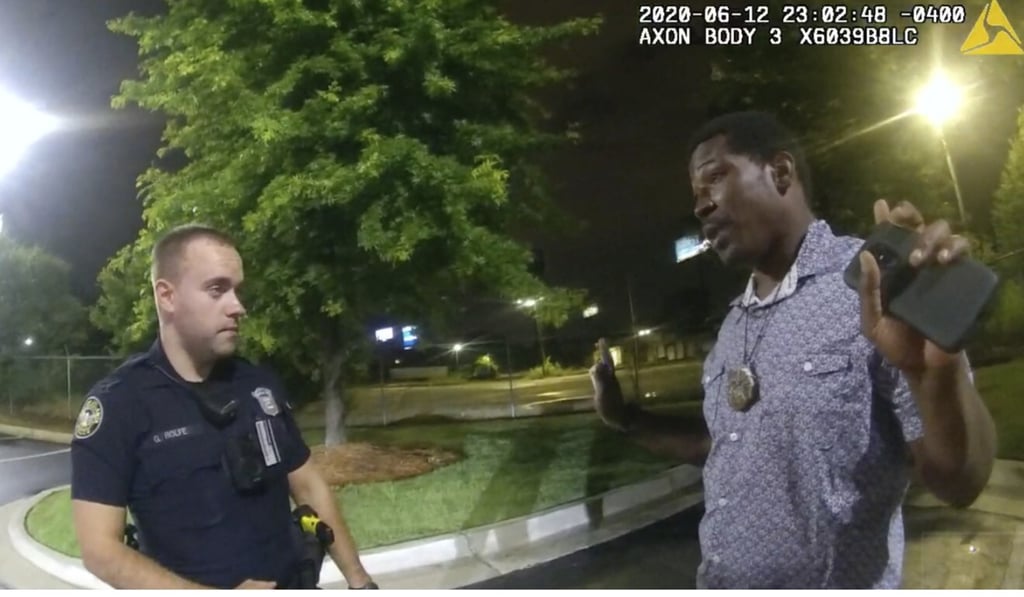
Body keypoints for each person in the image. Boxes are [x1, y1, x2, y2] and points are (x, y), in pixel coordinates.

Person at [589, 110, 997, 589]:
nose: (700, 207)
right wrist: (625, 418)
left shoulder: (874, 289)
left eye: (714, 178)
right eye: (695, 193)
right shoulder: (732, 328)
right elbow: (723, 448)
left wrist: (936, 379)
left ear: (780, 172)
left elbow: (961, 481)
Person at [70, 224, 378, 590]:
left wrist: (360, 582)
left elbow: (308, 485)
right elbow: (100, 551)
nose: (238, 307)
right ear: (167, 296)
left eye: (237, 290)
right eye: (217, 290)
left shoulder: (258, 384)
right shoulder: (119, 404)